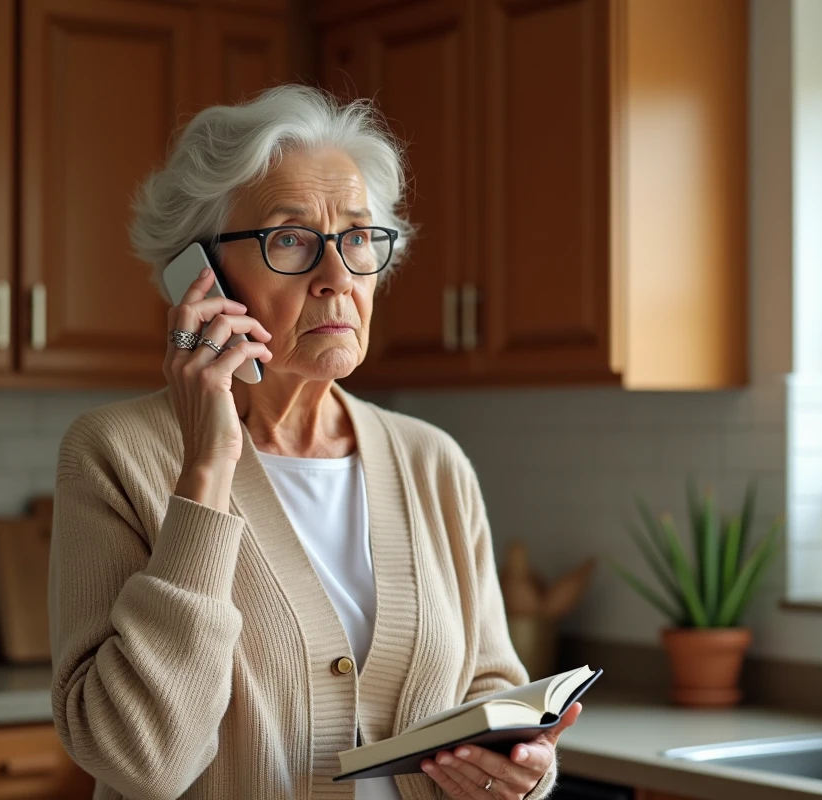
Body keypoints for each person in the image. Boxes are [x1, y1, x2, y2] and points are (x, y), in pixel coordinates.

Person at [48, 85, 581, 800]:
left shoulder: (432, 461)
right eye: (290, 240)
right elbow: (143, 761)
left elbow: (490, 688)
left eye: (358, 239)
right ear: (200, 275)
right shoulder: (115, 454)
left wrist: (520, 770)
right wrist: (206, 466)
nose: (337, 279)